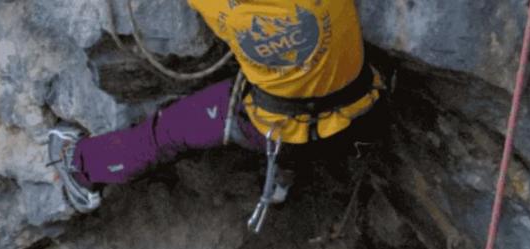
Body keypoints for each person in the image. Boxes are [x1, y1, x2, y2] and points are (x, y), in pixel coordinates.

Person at [48, 0, 387, 219]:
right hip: (360, 109)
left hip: (272, 125)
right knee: (299, 108)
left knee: (165, 134)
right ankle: (284, 173)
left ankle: (81, 166)